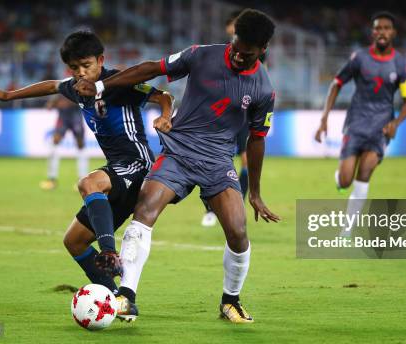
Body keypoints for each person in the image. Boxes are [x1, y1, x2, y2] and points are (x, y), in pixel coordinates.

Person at [74, 9, 279, 324]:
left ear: (263, 49)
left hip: (218, 161)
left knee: (238, 233)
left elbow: (257, 139)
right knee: (145, 212)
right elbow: (149, 69)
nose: (237, 55)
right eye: (235, 46)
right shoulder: (201, 55)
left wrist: (257, 192)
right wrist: (103, 86)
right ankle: (126, 296)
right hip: (178, 151)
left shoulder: (264, 89)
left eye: (246, 53)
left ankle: (230, 301)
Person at [0, 30, 173, 322]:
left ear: (101, 60)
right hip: (117, 170)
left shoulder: (120, 82)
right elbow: (52, 86)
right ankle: (118, 302)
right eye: (75, 68)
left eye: (87, 65)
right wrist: (9, 95)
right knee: (74, 241)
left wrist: (165, 115)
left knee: (87, 182)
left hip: (137, 164)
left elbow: (163, 95)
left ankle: (109, 253)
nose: (82, 73)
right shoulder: (77, 87)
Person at [314, 11, 406, 235]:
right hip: (356, 123)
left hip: (381, 127)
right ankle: (339, 179)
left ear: (393, 33)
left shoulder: (401, 63)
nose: (382, 32)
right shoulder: (359, 58)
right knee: (346, 180)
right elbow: (336, 84)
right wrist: (324, 119)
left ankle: (347, 229)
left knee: (366, 171)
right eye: (378, 28)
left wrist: (396, 122)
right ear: (372, 32)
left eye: (387, 28)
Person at [201, 9, 249, 227]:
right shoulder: (222, 53)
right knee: (212, 162)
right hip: (222, 116)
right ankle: (210, 209)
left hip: (244, 117)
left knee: (246, 163)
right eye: (232, 26)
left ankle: (239, 205)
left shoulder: (252, 54)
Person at [39, 94, 89, 190]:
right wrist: (52, 104)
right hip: (63, 117)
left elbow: (82, 99)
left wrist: (67, 103)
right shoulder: (60, 87)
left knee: (80, 145)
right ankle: (51, 179)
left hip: (75, 116)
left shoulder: (77, 84)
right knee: (54, 142)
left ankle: (83, 180)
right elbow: (50, 104)